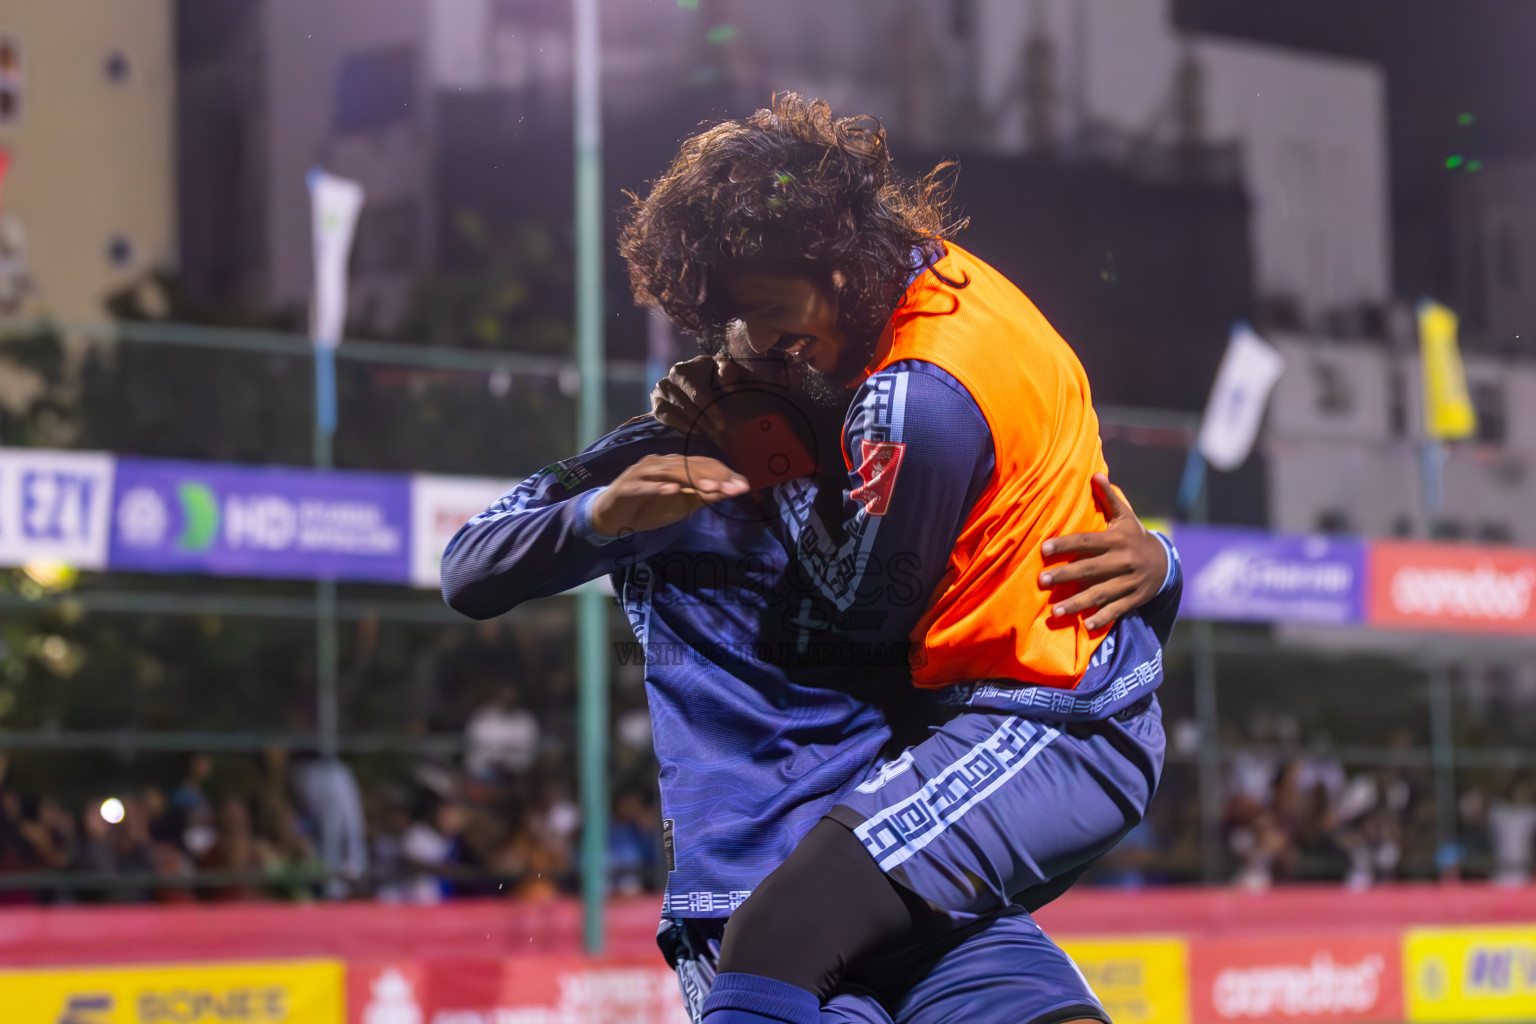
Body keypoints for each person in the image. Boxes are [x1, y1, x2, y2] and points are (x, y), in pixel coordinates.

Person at [616, 93, 1178, 1023]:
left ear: (832, 263)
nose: (755, 345)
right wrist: (1165, 563)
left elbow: (861, 608)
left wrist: (758, 441)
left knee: (778, 939)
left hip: (1046, 719)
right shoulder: (944, 278)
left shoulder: (914, 395)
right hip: (1036, 711)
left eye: (765, 315)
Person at [442, 374, 1175, 1022]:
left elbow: (1057, 570)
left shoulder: (895, 448)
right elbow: (467, 567)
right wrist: (598, 515)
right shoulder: (657, 454)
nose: (789, 342)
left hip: (912, 868)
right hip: (746, 901)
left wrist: (1160, 563)